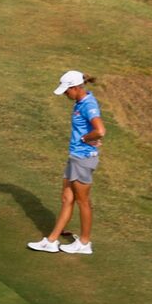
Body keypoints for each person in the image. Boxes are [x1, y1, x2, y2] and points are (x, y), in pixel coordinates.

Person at [28, 70, 103, 256]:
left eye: (67, 91)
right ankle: (51, 241)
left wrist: (86, 138)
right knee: (67, 198)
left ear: (76, 87)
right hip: (75, 157)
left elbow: (100, 130)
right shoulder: (80, 102)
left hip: (83, 159)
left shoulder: (88, 105)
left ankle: (85, 243)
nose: (65, 95)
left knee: (83, 201)